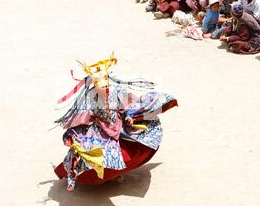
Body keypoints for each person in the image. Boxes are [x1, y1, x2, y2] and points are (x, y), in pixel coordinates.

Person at [53, 54, 178, 192]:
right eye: (99, 83)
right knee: (94, 156)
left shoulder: (116, 91)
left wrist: (129, 116)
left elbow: (128, 104)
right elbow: (83, 118)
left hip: (119, 127)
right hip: (99, 131)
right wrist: (74, 134)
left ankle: (117, 174)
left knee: (129, 151)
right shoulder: (89, 98)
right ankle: (79, 174)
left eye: (105, 81)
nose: (103, 85)